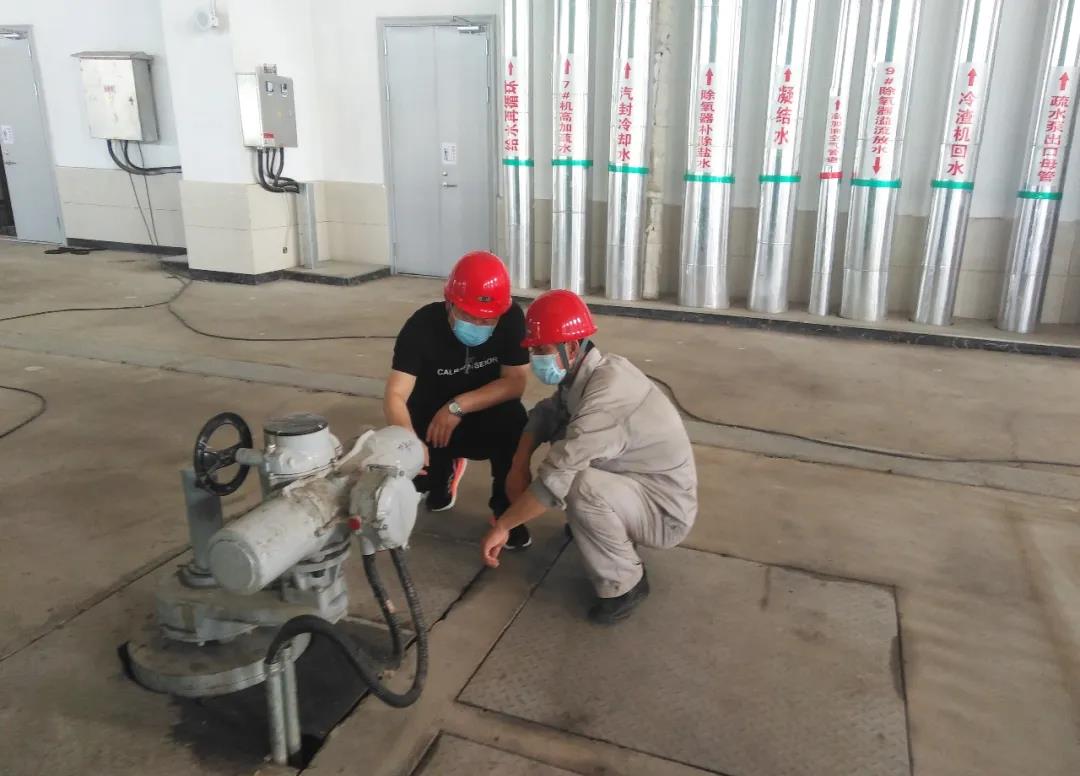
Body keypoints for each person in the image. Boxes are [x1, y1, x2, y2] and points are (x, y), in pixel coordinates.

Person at [481, 289, 698, 624]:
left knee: (575, 481)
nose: (535, 359)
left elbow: (555, 478)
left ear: (570, 347)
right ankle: (599, 527)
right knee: (565, 446)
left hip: (664, 511)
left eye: (541, 349)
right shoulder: (585, 375)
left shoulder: (607, 394)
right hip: (635, 484)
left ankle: (625, 584)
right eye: (533, 350)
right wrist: (518, 465)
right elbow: (546, 415)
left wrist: (505, 525)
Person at [384, 251, 533, 550]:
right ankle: (442, 473)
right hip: (430, 421)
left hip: (483, 411)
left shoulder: (512, 318)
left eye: (487, 319)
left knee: (516, 422)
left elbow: (516, 382)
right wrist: (409, 442)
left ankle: (504, 509)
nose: (477, 324)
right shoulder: (422, 326)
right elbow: (395, 394)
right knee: (430, 493)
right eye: (467, 315)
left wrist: (458, 406)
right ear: (449, 302)